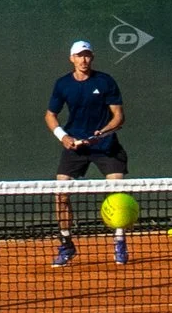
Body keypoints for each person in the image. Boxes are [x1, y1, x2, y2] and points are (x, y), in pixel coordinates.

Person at [45, 39, 128, 268]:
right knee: (60, 193)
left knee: (117, 191)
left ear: (92, 57)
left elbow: (119, 117)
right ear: (72, 58)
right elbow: (50, 115)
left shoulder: (105, 81)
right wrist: (63, 137)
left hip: (105, 146)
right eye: (79, 55)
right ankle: (66, 243)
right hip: (76, 147)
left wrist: (103, 132)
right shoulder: (63, 84)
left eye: (88, 55)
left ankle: (119, 240)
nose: (84, 59)